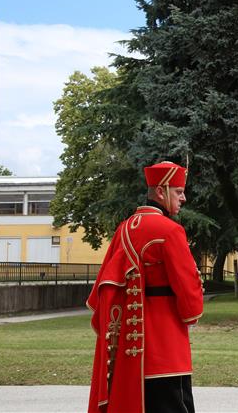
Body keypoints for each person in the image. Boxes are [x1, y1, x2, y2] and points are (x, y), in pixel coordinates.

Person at [87, 161, 204, 413]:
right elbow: (188, 290)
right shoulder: (171, 231)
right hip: (166, 344)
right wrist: (192, 314)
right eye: (178, 191)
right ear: (160, 191)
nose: (184, 198)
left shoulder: (124, 228)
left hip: (129, 348)